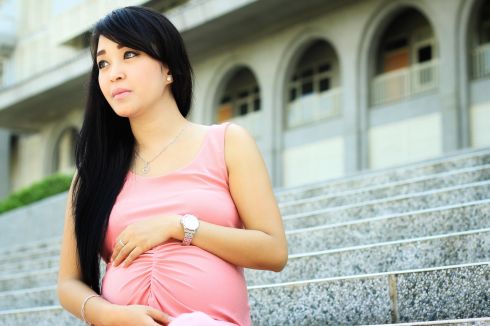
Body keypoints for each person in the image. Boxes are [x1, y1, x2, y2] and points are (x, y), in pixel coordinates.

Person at [56, 5, 288, 326]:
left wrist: (178, 226)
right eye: (103, 63)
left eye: (130, 55)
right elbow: (69, 283)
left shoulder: (227, 142)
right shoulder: (91, 175)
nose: (114, 72)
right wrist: (112, 315)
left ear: (168, 69)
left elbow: (274, 251)